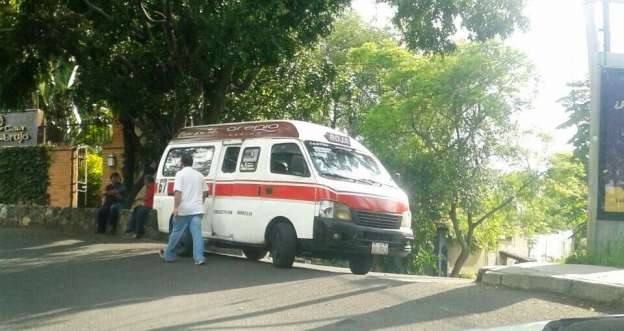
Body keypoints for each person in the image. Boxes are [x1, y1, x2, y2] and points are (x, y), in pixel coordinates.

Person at [159, 153, 208, 265]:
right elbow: (205, 192)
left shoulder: (180, 174)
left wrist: (176, 207)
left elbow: (178, 192)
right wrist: (201, 203)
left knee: (176, 232)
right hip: (197, 209)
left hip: (184, 210)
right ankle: (199, 258)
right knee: (197, 235)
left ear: (182, 162)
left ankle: (168, 255)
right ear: (192, 163)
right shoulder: (200, 175)